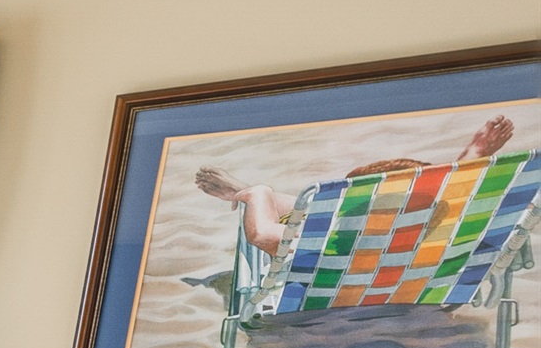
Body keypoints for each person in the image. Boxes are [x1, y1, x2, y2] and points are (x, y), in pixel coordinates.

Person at [195, 113, 517, 256]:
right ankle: (248, 190)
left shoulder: (325, 243)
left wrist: (258, 193)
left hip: (325, 231)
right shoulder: (426, 236)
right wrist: (473, 154)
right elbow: (448, 191)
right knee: (303, 209)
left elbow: (262, 233)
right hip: (390, 250)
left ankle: (248, 190)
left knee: (291, 208)